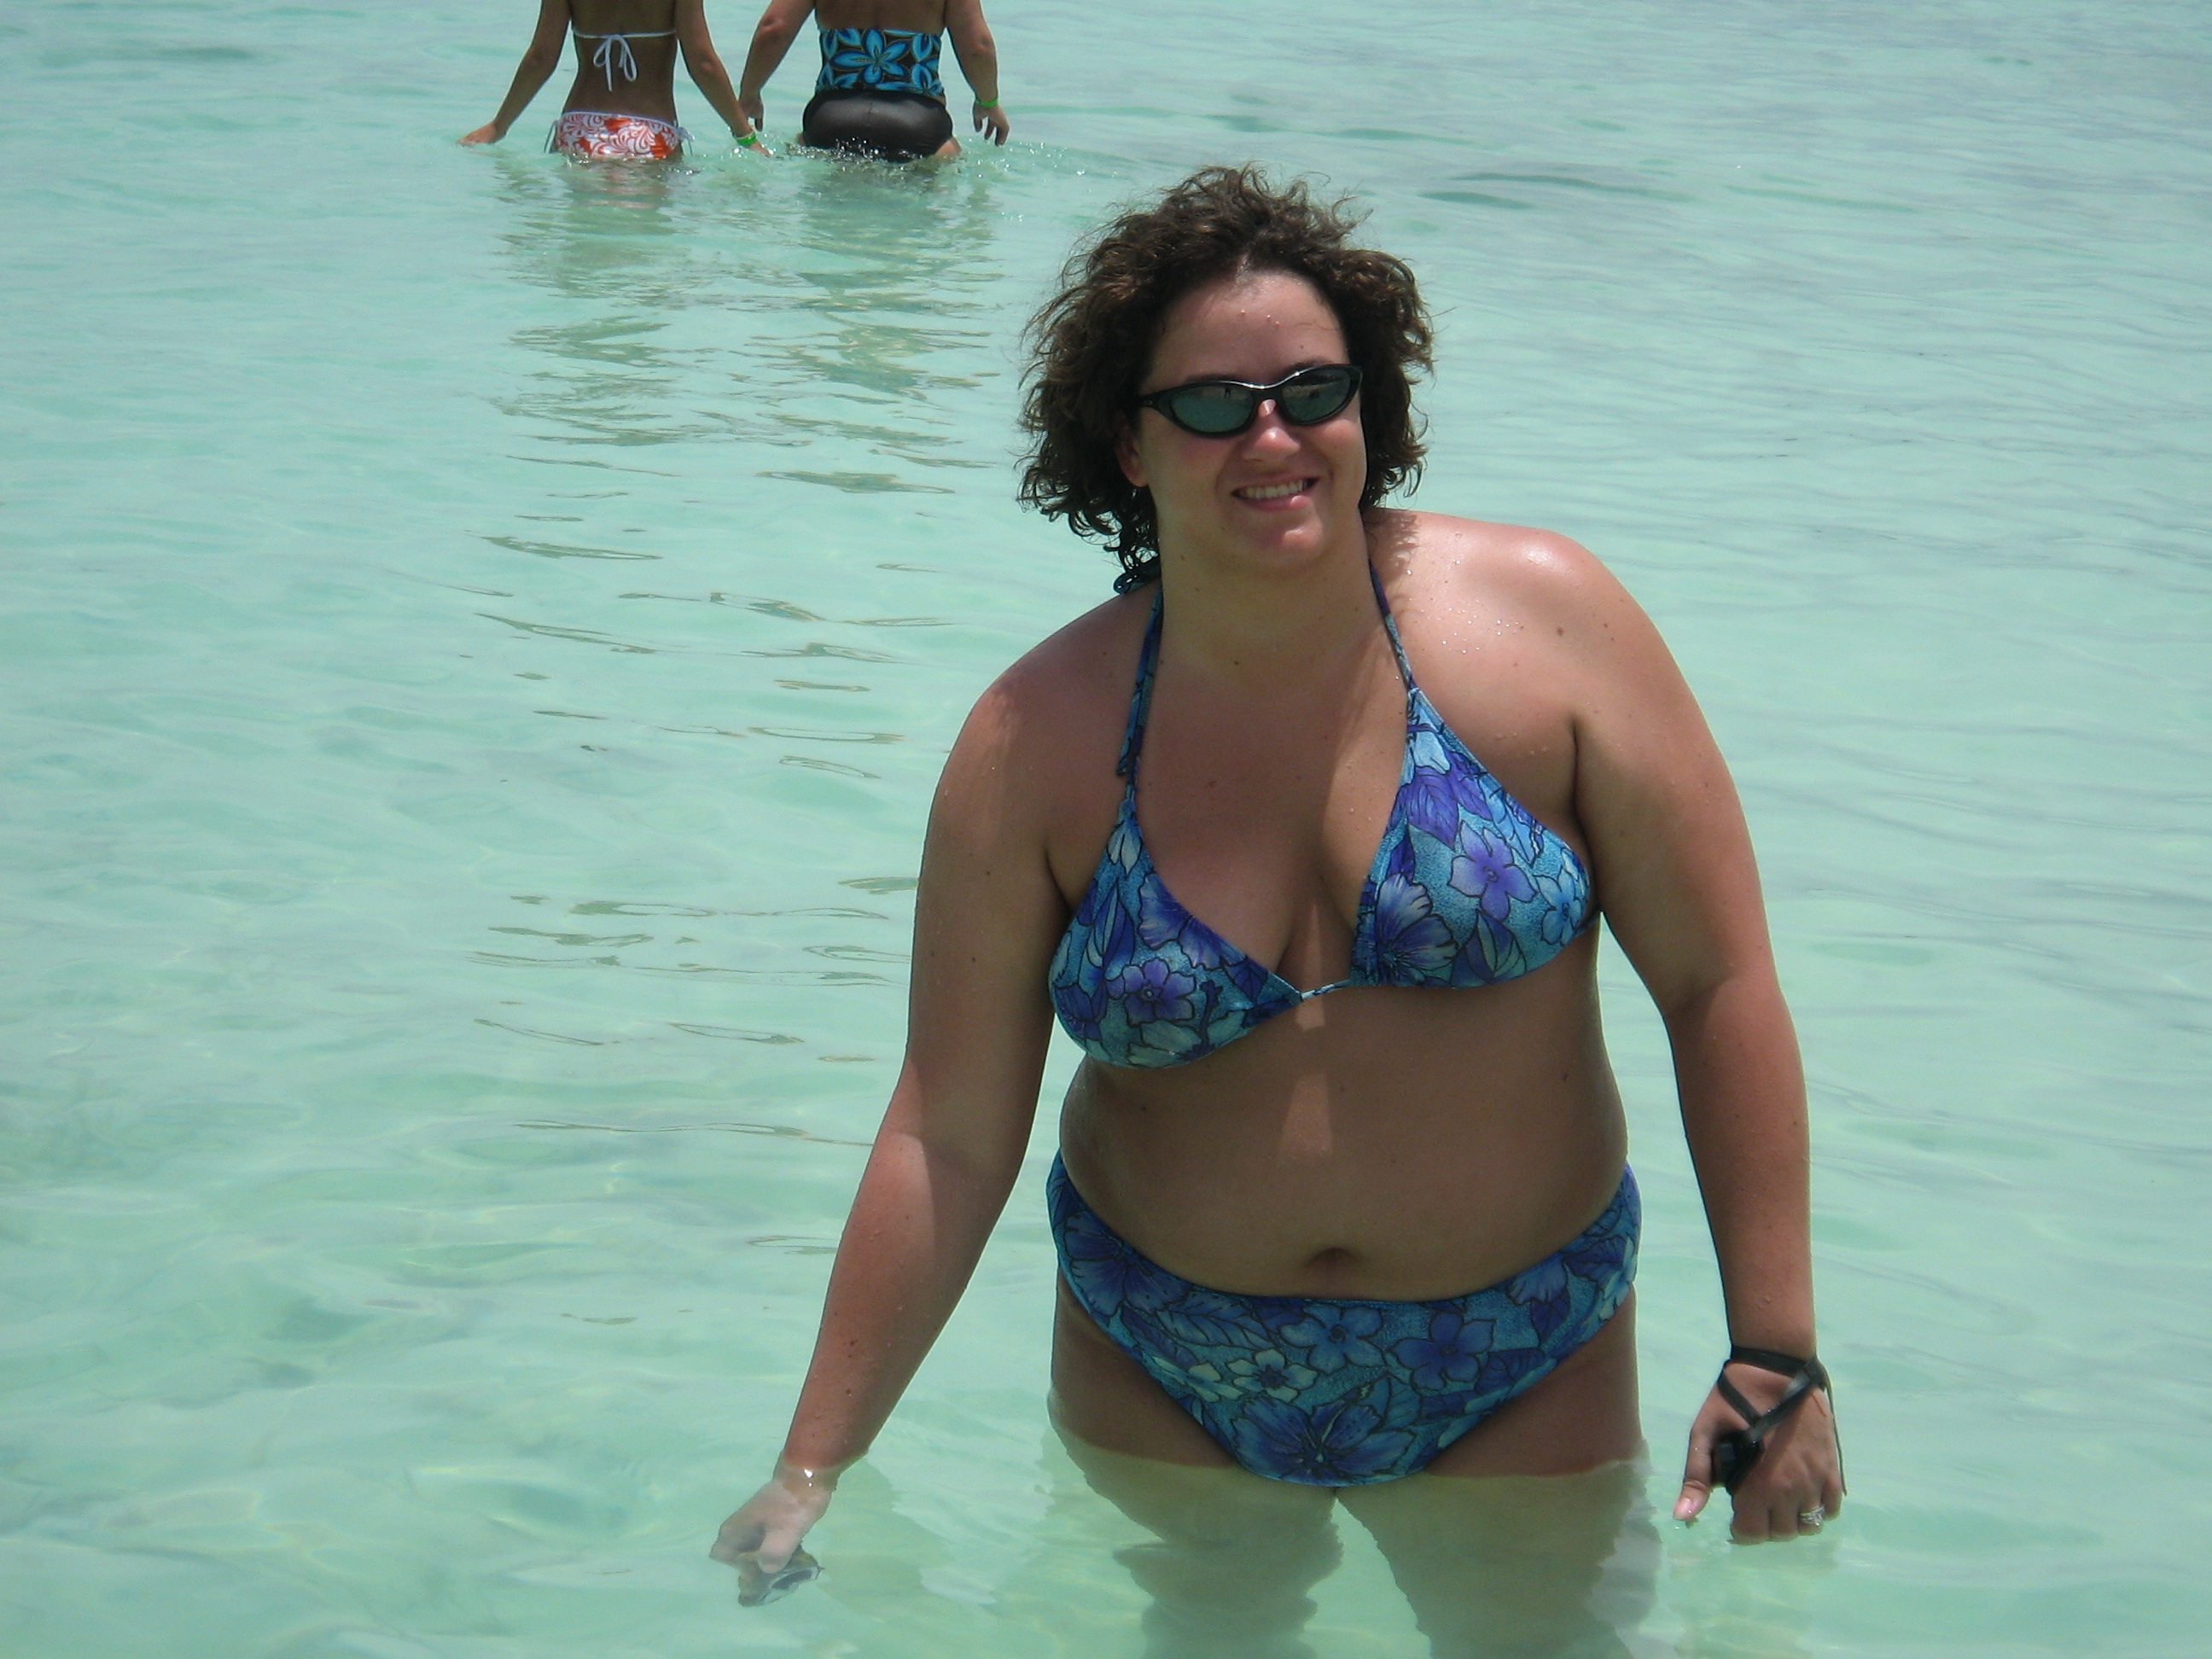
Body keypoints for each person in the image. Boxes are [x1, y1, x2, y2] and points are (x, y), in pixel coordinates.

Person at [713, 166, 1844, 1622]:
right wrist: (813, 1463)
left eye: (1314, 388)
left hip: (1523, 1353)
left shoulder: (1549, 631)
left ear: (1371, 407)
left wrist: (1778, 1346)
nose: (1272, 432)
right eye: (1209, 403)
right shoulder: (1034, 742)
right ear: (1123, 441)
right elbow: (946, 1124)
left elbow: (1718, 983)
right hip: (1163, 1363)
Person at [461, 0, 765, 160]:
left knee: (582, 255)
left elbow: (541, 58)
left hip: (579, 129)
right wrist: (744, 135)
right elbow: (702, 63)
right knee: (647, 262)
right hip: (650, 133)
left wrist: (498, 126)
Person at [733, 0, 1008, 163]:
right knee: (947, 158)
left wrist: (749, 93)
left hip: (830, 120)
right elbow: (977, 47)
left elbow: (774, 30)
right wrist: (988, 101)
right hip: (919, 124)